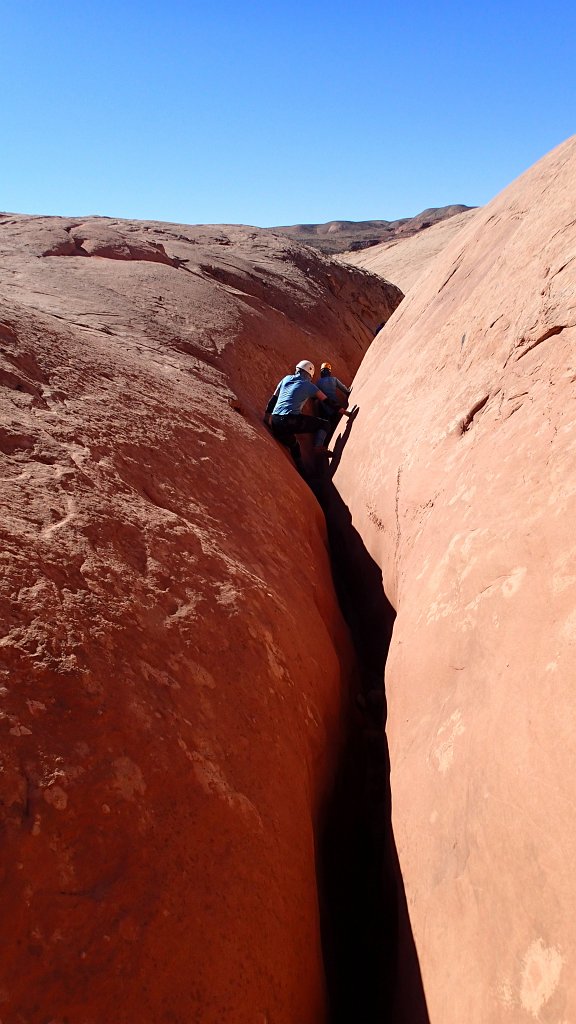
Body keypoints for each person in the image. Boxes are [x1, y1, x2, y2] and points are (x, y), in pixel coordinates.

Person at [264, 360, 332, 469]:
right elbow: (326, 400)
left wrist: (267, 417)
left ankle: (302, 472)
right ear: (310, 375)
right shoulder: (309, 385)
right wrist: (340, 410)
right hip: (290, 421)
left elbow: (273, 399)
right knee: (325, 424)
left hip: (276, 422)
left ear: (297, 370)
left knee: (294, 445)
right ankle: (318, 448)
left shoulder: (286, 379)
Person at [315, 361, 352, 444]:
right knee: (335, 423)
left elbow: (315, 395)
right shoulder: (333, 379)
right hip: (336, 407)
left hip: (325, 409)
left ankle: (323, 443)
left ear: (321, 372)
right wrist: (348, 391)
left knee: (326, 425)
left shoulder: (318, 382)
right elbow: (344, 389)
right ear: (329, 372)